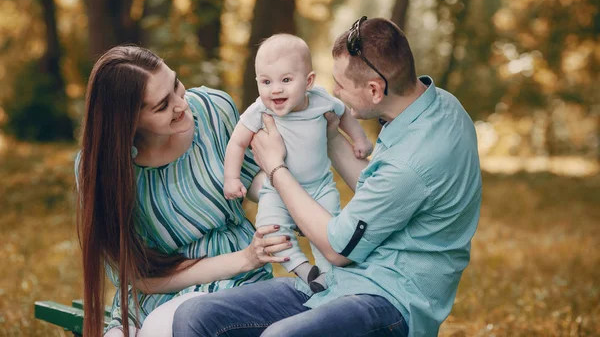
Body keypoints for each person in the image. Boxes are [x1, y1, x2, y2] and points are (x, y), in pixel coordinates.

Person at [172, 17, 482, 337]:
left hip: (389, 299)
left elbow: (337, 248)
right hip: (339, 280)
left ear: (375, 90)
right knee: (195, 316)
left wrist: (275, 168)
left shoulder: (413, 162)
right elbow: (381, 188)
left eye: (341, 85)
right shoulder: (437, 105)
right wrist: (333, 137)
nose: (333, 92)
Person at [76, 45, 292, 337]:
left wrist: (289, 193)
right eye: (163, 105)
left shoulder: (215, 110)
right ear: (128, 122)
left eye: (177, 85)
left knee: (161, 329)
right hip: (158, 287)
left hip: (235, 276)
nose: (182, 104)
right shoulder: (102, 168)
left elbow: (252, 176)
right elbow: (138, 277)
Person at [223, 34, 372, 292]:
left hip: (320, 187)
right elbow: (236, 143)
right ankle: (304, 269)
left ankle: (328, 275)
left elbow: (344, 114)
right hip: (276, 191)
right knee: (269, 231)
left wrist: (359, 139)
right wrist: (232, 178)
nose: (275, 89)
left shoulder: (321, 101)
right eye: (266, 82)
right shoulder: (260, 110)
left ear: (309, 81)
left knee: (331, 234)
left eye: (286, 80)